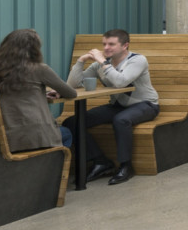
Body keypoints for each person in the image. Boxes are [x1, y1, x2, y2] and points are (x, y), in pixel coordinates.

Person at [64, 29, 161, 186]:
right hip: (117, 106)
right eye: (104, 44)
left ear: (125, 46)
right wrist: (81, 61)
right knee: (72, 122)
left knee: (121, 120)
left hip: (145, 104)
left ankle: (125, 166)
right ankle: (101, 161)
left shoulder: (137, 60)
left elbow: (121, 82)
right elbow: (72, 85)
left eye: (111, 44)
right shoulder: (99, 64)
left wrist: (102, 61)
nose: (106, 48)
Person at [0, 29, 77, 153]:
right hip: (36, 136)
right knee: (67, 133)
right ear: (34, 49)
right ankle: (57, 170)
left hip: (6, 136)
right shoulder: (39, 69)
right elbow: (71, 93)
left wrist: (40, 94)